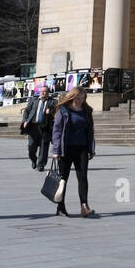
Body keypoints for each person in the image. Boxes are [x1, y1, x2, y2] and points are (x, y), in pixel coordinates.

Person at [50, 87, 96, 217]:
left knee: (83, 178)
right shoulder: (64, 110)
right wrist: (56, 150)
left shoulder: (86, 111)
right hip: (66, 149)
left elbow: (91, 131)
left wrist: (91, 148)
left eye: (83, 98)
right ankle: (60, 207)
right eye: (78, 98)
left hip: (82, 148)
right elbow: (57, 130)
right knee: (63, 179)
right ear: (72, 97)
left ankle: (84, 206)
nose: (80, 100)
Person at [21, 86, 56, 172]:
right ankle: (34, 160)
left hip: (46, 128)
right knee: (31, 146)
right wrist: (25, 120)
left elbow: (57, 112)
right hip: (33, 127)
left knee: (44, 148)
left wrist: (50, 111)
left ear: (48, 93)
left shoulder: (53, 102)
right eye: (42, 91)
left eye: (45, 92)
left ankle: (41, 165)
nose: (43, 93)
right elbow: (26, 111)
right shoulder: (34, 100)